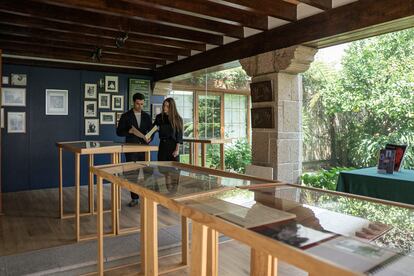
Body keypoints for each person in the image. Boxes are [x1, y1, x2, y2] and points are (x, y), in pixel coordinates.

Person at [116, 93, 152, 207]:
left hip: (144, 148)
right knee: (132, 174)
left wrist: (150, 137)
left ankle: (146, 197)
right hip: (130, 148)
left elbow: (151, 131)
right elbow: (118, 132)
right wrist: (129, 132)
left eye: (142, 104)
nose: (140, 106)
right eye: (137, 104)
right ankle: (135, 198)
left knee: (146, 173)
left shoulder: (147, 116)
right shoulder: (126, 116)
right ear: (133, 102)